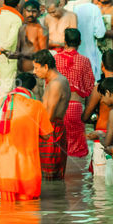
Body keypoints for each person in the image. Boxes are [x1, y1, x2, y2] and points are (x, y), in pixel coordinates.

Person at [0, 73, 53, 201]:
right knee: (29, 213)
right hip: (27, 171)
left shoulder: (3, 103)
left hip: (5, 170)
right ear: (34, 88)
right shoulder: (37, 106)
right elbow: (47, 136)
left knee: (6, 212)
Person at [54, 28, 95, 160]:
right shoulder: (84, 61)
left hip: (57, 107)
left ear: (65, 42)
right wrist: (88, 112)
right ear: (80, 42)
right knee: (77, 148)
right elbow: (89, 87)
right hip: (76, 107)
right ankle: (78, 177)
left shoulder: (55, 59)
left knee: (58, 144)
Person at [33, 50, 71, 181]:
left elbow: (48, 116)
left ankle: (52, 200)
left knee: (49, 176)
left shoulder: (56, 84)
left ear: (46, 67)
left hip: (51, 130)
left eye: (36, 68)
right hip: (52, 129)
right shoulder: (56, 81)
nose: (34, 71)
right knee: (50, 175)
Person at [86, 77, 113, 184]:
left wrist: (99, 134)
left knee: (106, 189)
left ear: (108, 93)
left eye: (102, 96)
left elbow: (107, 142)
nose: (102, 100)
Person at [66, 0, 107, 79]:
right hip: (89, 55)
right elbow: (100, 33)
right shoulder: (95, 9)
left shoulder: (70, 7)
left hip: (71, 55)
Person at [14, 0, 48, 74]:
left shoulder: (42, 30)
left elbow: (43, 54)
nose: (30, 14)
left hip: (34, 72)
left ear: (39, 13)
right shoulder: (22, 28)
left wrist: (25, 54)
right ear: (24, 11)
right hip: (20, 70)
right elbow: (18, 50)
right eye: (28, 11)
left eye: (34, 11)